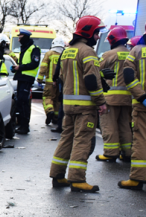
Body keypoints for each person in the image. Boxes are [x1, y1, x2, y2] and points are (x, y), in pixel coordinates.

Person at [49, 16, 107, 193]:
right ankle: (77, 179)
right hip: (85, 108)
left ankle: (57, 175)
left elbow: (59, 77)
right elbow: (90, 80)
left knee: (66, 139)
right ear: (89, 32)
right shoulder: (88, 52)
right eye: (96, 33)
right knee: (82, 141)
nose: (97, 37)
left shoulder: (67, 51)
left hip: (68, 107)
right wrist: (101, 102)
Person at [97, 27, 132, 163]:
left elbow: (97, 71)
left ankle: (110, 153)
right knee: (124, 125)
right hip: (128, 97)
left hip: (111, 97)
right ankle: (127, 153)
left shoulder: (109, 55)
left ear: (112, 40)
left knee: (109, 124)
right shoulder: (131, 53)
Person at [119, 33, 146, 189]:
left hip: (142, 105)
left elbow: (129, 77)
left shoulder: (136, 51)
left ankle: (137, 178)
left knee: (141, 140)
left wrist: (142, 97)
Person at [12, 29, 41, 134]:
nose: (19, 40)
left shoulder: (34, 49)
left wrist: (20, 67)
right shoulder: (24, 48)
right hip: (22, 77)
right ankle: (22, 125)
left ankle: (24, 127)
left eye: (20, 38)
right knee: (21, 102)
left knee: (23, 102)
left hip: (27, 78)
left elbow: (34, 64)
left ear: (25, 37)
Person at [37, 37, 65, 126]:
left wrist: (40, 78)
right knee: (57, 100)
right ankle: (56, 118)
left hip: (50, 82)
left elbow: (44, 66)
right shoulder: (65, 54)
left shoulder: (49, 53)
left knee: (47, 97)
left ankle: (50, 111)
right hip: (61, 82)